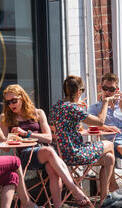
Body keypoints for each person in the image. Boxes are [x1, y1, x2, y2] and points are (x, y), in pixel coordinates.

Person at [0, 84, 91, 208]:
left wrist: (27, 134)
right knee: (49, 151)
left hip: (44, 152)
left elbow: (48, 138)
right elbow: (5, 147)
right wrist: (8, 137)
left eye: (14, 100)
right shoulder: (5, 117)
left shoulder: (37, 113)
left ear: (22, 98)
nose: (11, 105)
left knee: (53, 170)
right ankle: (75, 190)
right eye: (8, 102)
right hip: (25, 156)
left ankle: (58, 206)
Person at [48, 75, 119, 207]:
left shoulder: (57, 106)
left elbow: (54, 128)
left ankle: (105, 198)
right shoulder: (73, 108)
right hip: (75, 153)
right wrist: (105, 102)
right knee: (109, 144)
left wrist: (74, 125)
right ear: (79, 91)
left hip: (60, 155)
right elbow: (100, 122)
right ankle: (110, 191)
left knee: (109, 158)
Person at [88, 72, 122, 191]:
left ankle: (113, 187)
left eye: (111, 89)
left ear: (116, 90)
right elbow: (90, 124)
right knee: (118, 147)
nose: (107, 92)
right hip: (110, 141)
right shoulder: (95, 108)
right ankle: (112, 187)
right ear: (100, 88)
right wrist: (106, 127)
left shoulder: (121, 104)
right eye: (105, 88)